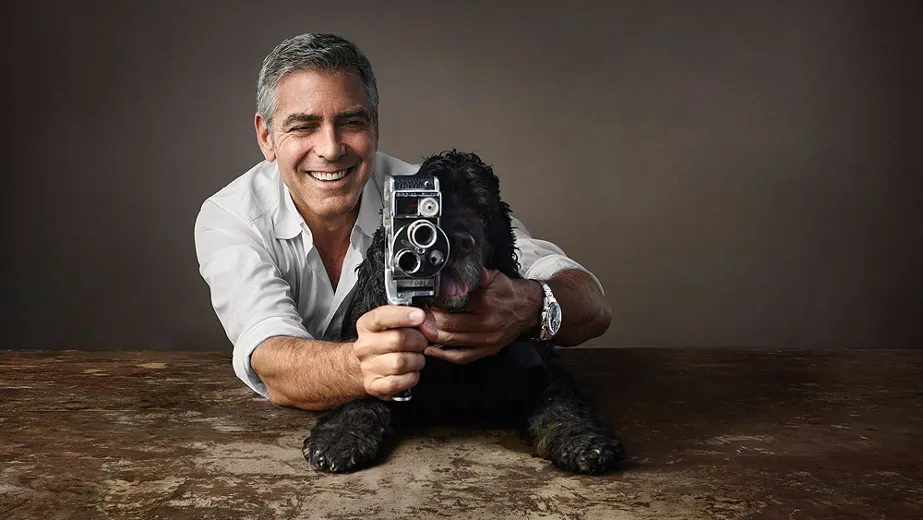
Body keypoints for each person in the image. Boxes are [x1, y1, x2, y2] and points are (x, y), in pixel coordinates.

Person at [194, 33, 611, 411]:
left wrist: (529, 304)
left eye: (351, 122)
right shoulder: (230, 217)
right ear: (266, 137)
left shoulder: (431, 193)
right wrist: (364, 367)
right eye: (303, 127)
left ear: (375, 125)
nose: (330, 148)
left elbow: (591, 304)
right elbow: (269, 359)